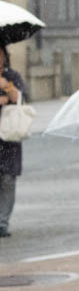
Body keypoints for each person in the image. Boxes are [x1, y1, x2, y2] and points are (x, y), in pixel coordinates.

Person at [0, 44, 26, 239]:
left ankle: (2, 223)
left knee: (8, 179)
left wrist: (6, 86)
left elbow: (21, 99)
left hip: (9, 138)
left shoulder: (13, 76)